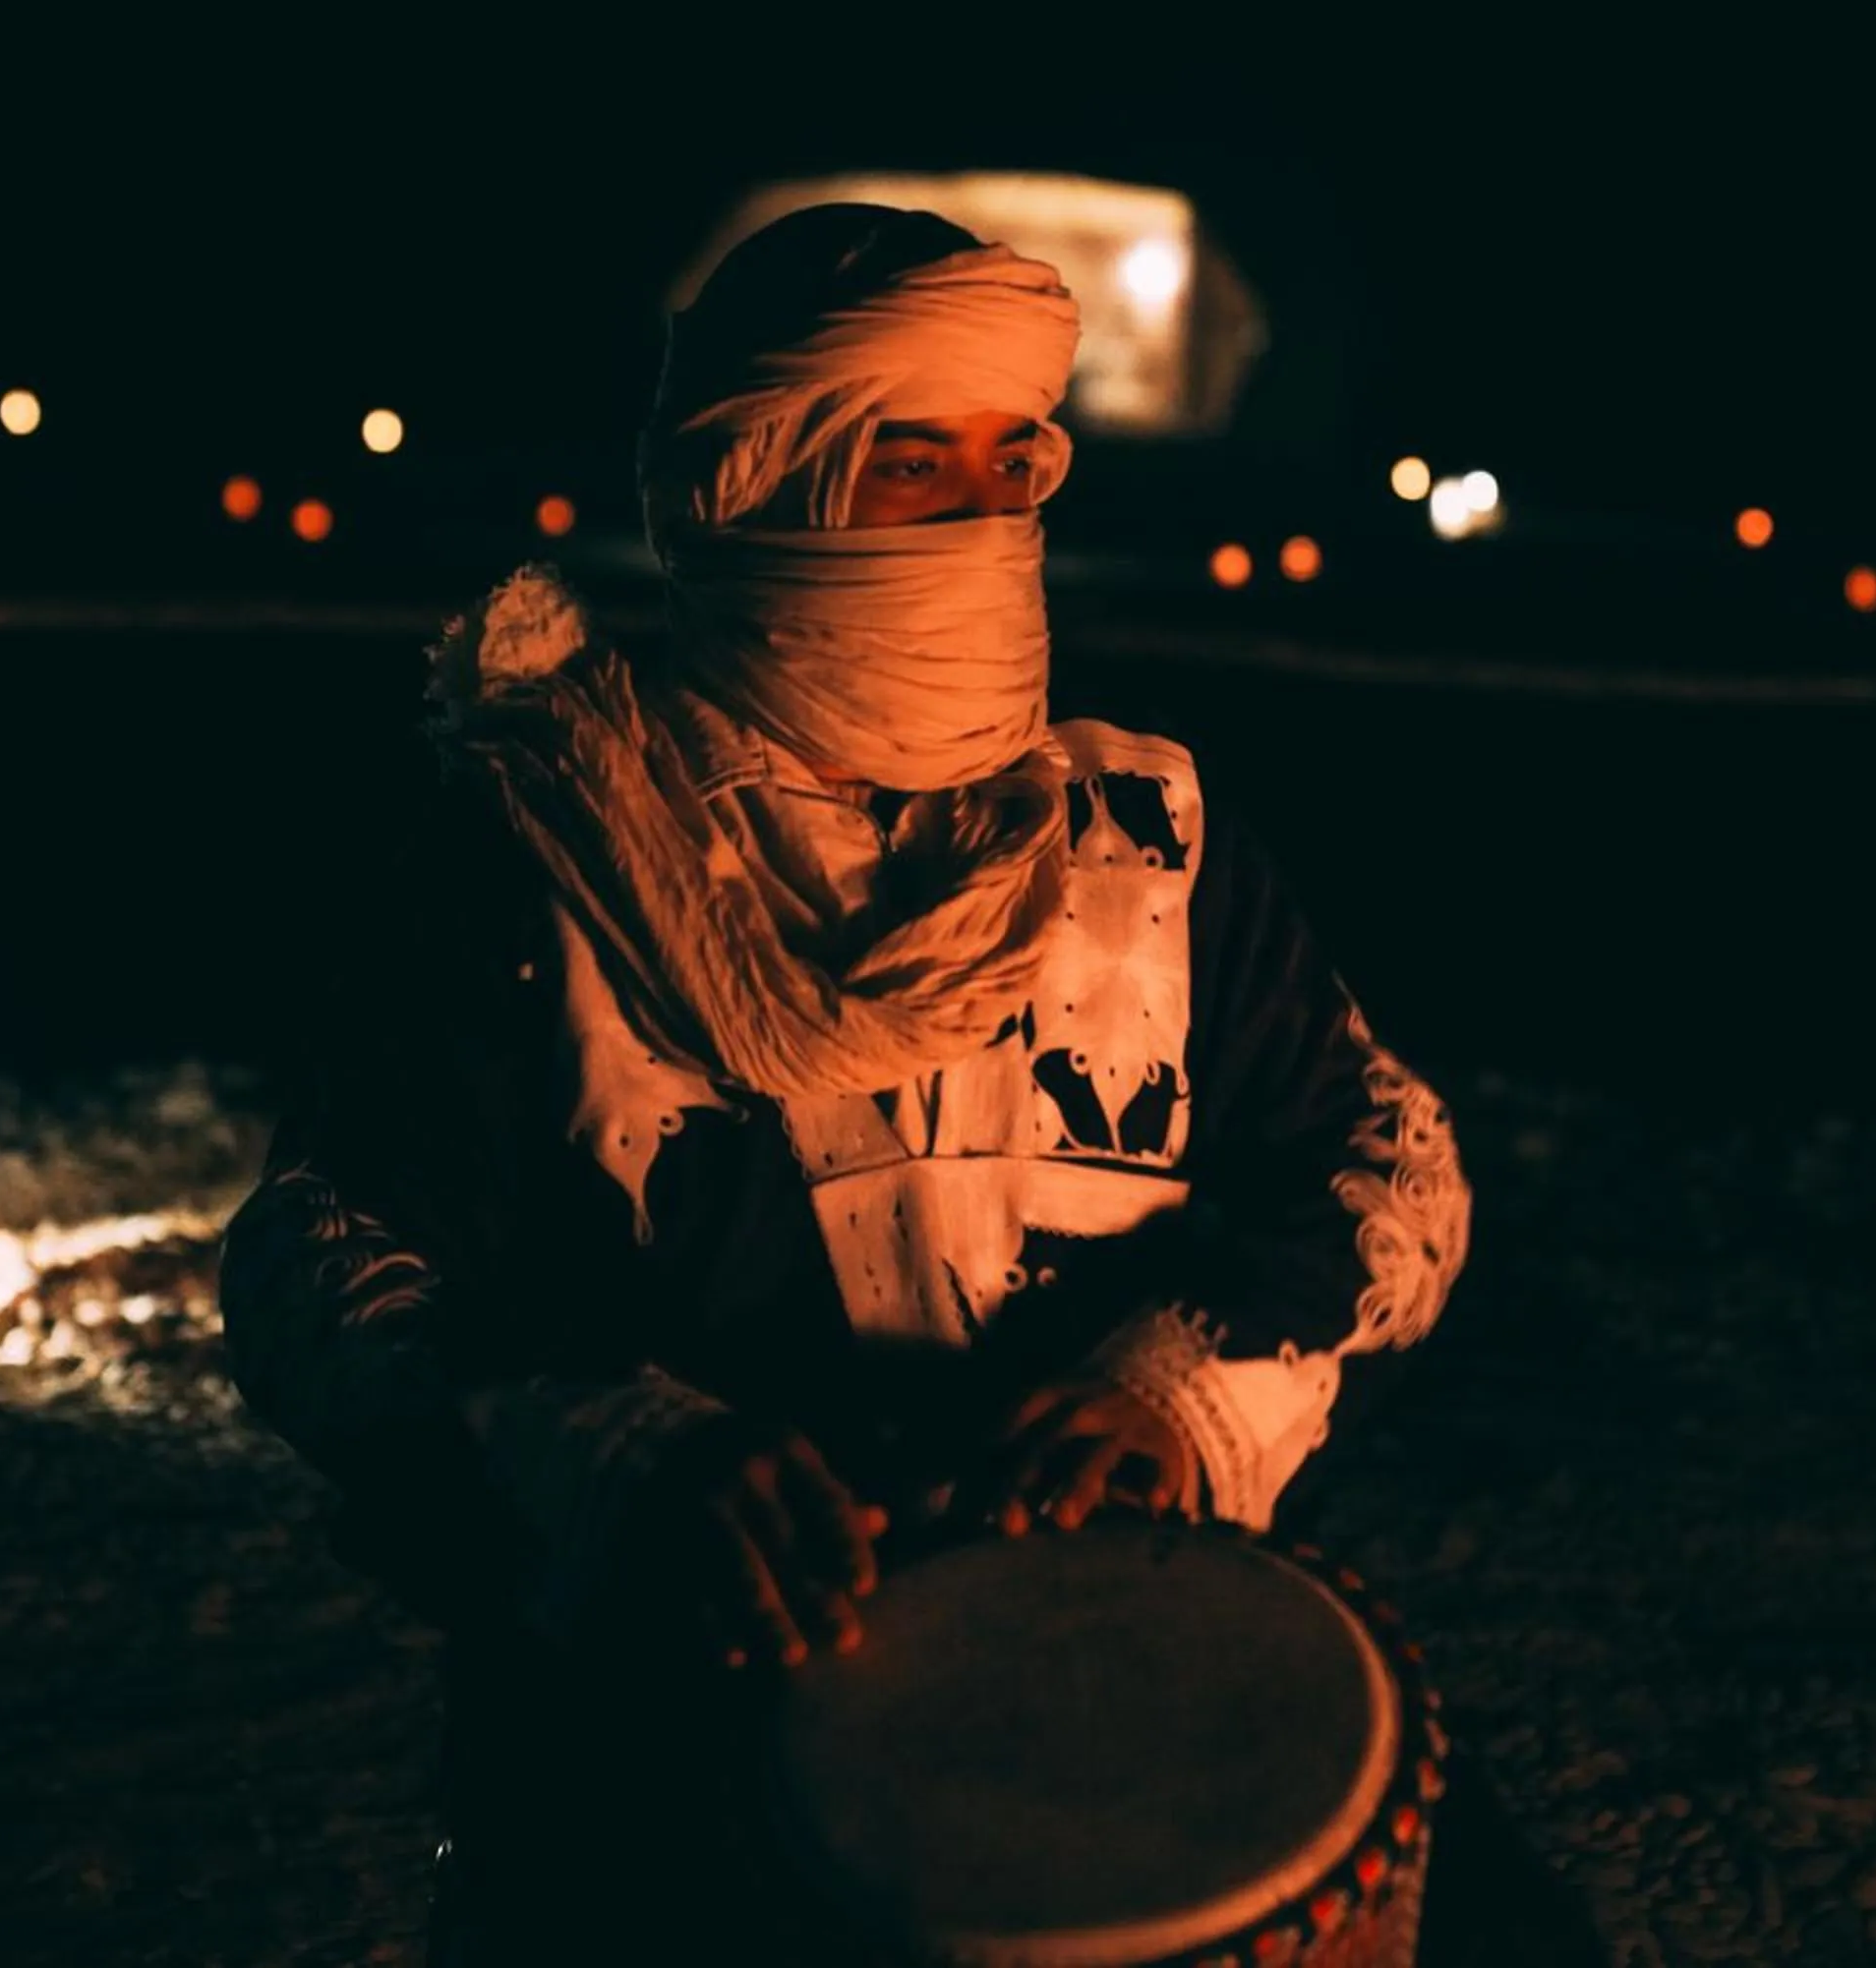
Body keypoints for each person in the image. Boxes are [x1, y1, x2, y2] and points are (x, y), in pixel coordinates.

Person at [219, 203, 1546, 1961]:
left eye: (1018, 466)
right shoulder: (545, 860)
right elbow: (324, 1263)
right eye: (916, 468)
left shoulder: (1142, 833)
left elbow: (1387, 1174)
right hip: (676, 1687)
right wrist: (621, 1453)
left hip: (1095, 1659)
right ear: (753, 485)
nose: (987, 523)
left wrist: (1180, 1400)